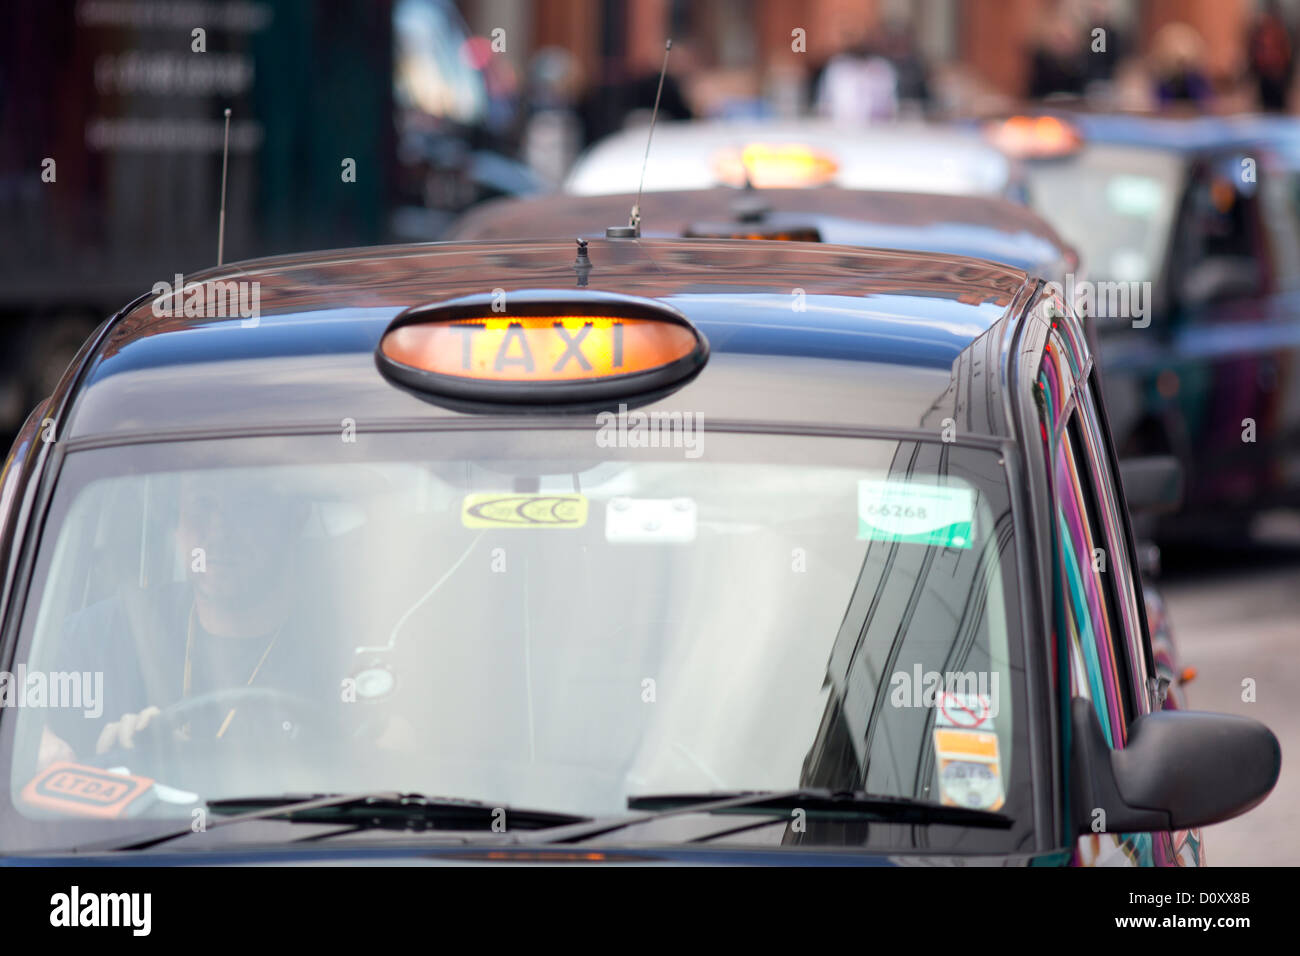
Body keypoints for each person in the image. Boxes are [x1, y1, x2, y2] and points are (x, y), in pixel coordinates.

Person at [39, 471, 350, 767]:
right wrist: (42, 743)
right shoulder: (113, 632)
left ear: (295, 519)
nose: (220, 531)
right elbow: (13, 691)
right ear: (176, 521)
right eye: (203, 503)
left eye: (249, 505)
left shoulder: (348, 647)